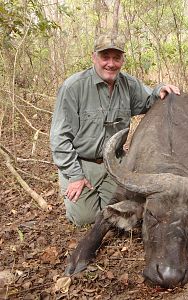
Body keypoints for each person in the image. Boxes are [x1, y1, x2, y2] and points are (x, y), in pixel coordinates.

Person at [50, 33, 180, 226]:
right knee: (85, 220)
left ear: (122, 60)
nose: (110, 64)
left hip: (116, 163)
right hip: (82, 164)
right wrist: (75, 176)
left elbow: (149, 99)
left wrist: (161, 89)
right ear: (94, 57)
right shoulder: (73, 87)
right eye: (105, 57)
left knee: (125, 211)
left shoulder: (129, 84)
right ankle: (81, 193)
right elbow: (59, 138)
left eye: (116, 58)